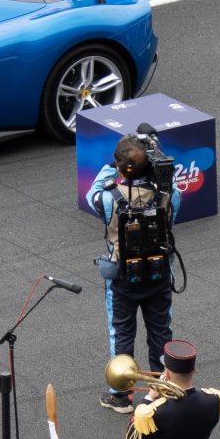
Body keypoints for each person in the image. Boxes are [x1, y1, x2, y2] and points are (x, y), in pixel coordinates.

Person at [88, 130, 180, 381]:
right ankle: (162, 388)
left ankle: (121, 394)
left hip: (122, 280)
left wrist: (113, 165)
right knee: (161, 332)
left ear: (118, 166)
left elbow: (92, 192)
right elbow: (170, 184)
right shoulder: (168, 195)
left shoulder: (107, 198)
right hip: (159, 274)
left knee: (121, 334)